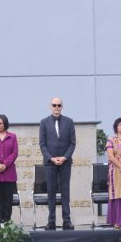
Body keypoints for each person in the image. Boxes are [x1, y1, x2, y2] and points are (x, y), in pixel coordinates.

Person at [39, 97, 76, 230]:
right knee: (51, 192)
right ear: (50, 106)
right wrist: (52, 158)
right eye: (54, 105)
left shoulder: (69, 122)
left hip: (65, 163)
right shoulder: (44, 123)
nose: (56, 108)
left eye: (59, 105)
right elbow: (42, 144)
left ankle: (67, 220)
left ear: (62, 107)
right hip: (50, 163)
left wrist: (64, 157)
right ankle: (51, 221)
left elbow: (72, 143)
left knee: (65, 191)